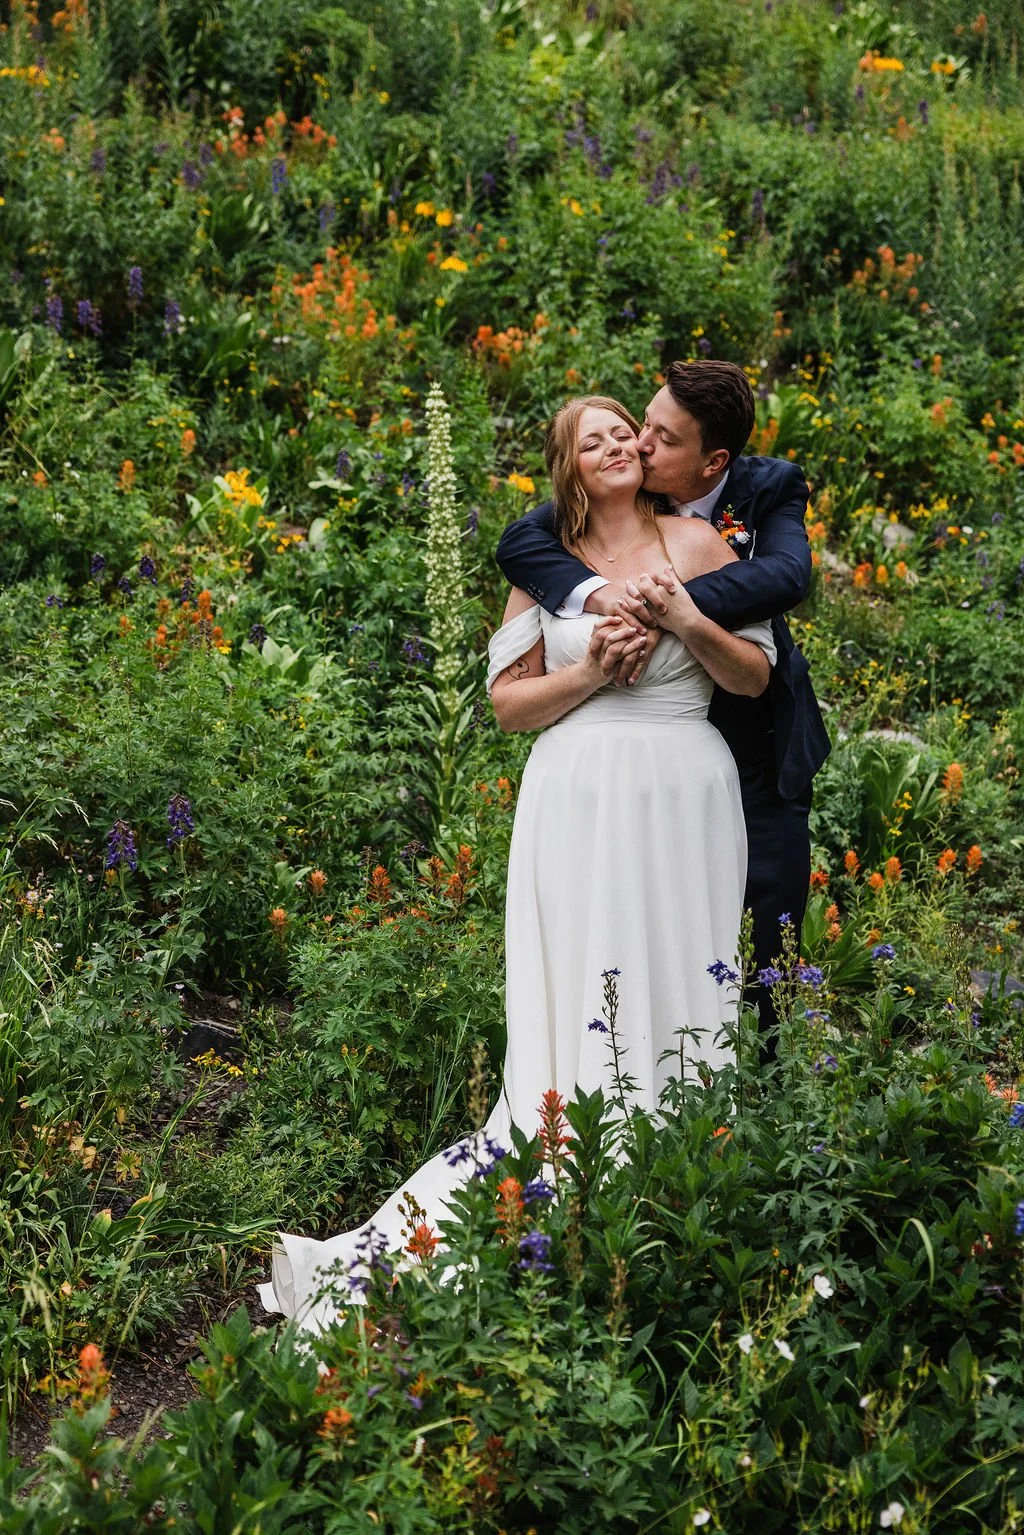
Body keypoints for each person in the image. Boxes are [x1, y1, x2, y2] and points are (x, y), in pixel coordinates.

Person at [259, 393, 776, 1332]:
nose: (619, 443)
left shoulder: (701, 546)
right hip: (574, 798)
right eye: (596, 438)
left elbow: (752, 674)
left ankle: (678, 1193)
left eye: (628, 431)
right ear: (569, 465)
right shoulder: (542, 563)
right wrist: (595, 671)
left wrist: (682, 622)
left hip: (686, 793)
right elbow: (506, 706)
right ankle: (554, 1181)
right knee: (584, 989)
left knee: (677, 973)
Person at [496, 360, 831, 1039]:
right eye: (629, 429)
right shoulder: (548, 544)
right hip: (582, 780)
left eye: (653, 436)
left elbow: (790, 576)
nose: (636, 445)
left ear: (712, 462)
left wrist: (672, 612)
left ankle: (751, 1092)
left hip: (734, 754)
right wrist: (598, 614)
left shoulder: (740, 511)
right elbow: (518, 547)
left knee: (745, 927)